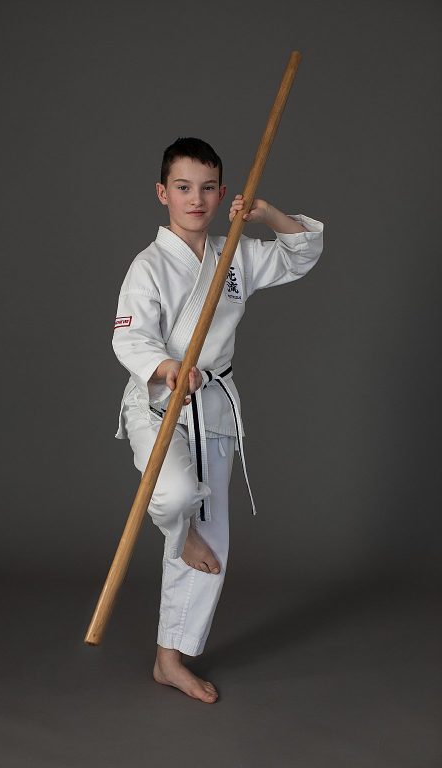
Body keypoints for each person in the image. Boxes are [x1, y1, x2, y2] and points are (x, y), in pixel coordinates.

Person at [112, 138, 324, 702]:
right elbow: (128, 336)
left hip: (213, 408)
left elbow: (303, 253)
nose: (196, 199)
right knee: (177, 499)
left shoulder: (237, 254)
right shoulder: (149, 265)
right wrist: (167, 367)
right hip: (159, 404)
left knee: (217, 537)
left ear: (224, 194)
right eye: (183, 187)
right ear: (163, 194)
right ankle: (182, 539)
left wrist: (267, 214)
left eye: (208, 188)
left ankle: (169, 658)